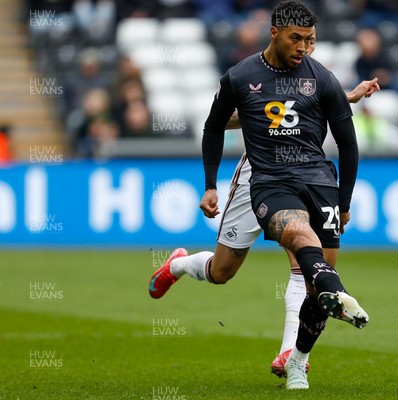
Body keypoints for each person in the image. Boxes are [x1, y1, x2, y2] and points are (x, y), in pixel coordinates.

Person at [149, 1, 373, 390]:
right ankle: (181, 264)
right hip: (260, 174)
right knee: (222, 272)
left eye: (312, 41)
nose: (306, 48)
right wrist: (210, 185)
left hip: (309, 179)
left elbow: (323, 119)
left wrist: (341, 98)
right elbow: (229, 120)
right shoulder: (244, 76)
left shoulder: (318, 76)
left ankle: (292, 355)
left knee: (306, 261)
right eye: (298, 39)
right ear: (275, 34)